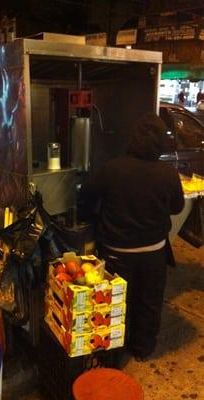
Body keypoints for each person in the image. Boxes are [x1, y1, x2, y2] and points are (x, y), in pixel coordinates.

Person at [80, 113, 184, 361]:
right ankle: (143, 349)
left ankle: (114, 355)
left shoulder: (113, 168)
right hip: (153, 252)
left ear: (132, 139)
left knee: (115, 303)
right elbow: (177, 207)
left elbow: (86, 196)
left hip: (116, 251)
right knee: (148, 301)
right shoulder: (168, 173)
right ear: (161, 142)